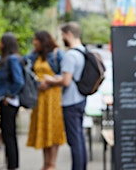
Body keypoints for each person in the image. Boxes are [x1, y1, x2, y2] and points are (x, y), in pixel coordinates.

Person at [43, 22, 87, 170]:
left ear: (69, 34)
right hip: (81, 99)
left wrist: (51, 81)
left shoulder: (70, 55)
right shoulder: (83, 52)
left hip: (70, 102)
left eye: (62, 35)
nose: (61, 38)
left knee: (74, 141)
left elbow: (66, 81)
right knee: (80, 138)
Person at [25, 30, 66, 170]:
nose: (34, 42)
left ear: (43, 41)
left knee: (53, 129)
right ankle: (46, 163)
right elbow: (24, 67)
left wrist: (51, 81)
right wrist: (38, 84)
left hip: (53, 96)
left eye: (36, 39)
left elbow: (64, 74)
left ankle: (52, 163)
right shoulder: (34, 55)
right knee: (43, 129)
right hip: (39, 97)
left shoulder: (57, 54)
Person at [0, 32, 24, 170]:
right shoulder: (9, 59)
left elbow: (19, 82)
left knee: (9, 135)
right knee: (7, 134)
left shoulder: (12, 60)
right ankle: (11, 163)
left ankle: (12, 165)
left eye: (1, 42)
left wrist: (8, 96)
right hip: (6, 101)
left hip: (9, 103)